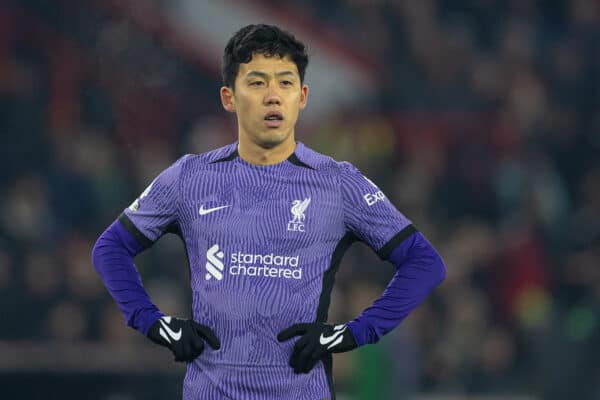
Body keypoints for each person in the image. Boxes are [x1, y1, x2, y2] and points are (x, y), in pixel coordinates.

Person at [92, 23, 446, 400]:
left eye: (286, 83)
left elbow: (425, 263)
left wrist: (353, 333)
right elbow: (109, 249)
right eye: (258, 83)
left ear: (303, 96)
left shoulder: (339, 183)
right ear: (229, 97)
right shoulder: (189, 177)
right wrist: (155, 324)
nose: (273, 96)